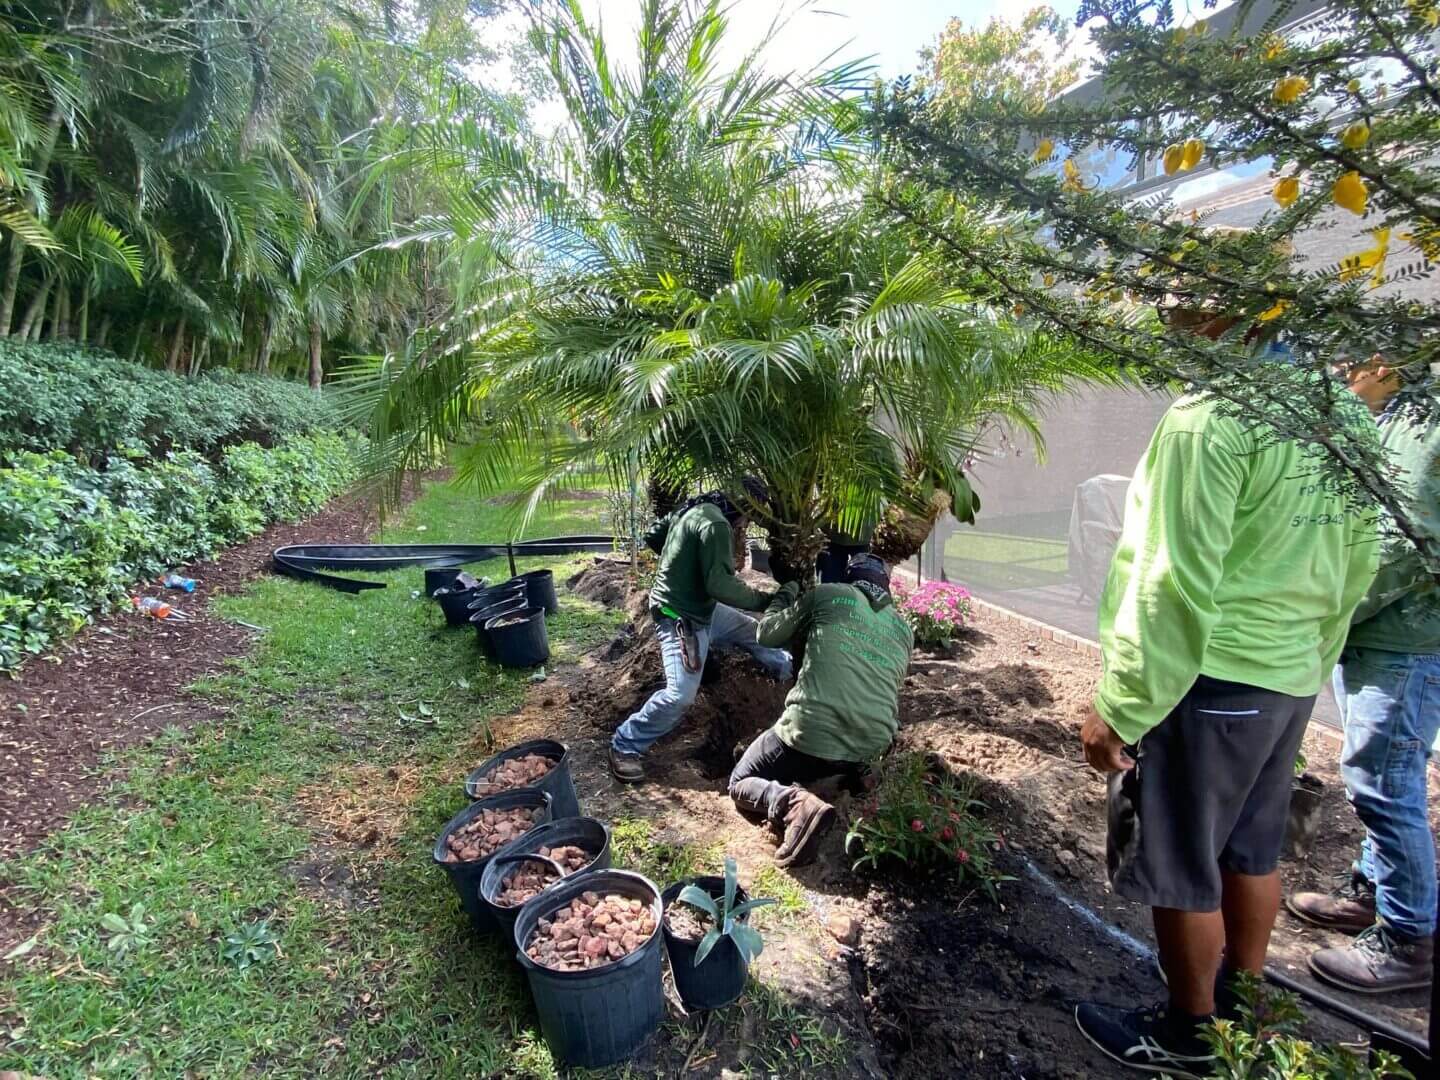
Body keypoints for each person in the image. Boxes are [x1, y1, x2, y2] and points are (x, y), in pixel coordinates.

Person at [1073, 377, 1380, 1077]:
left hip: (1208, 680)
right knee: (1251, 851)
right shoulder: (1339, 414)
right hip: (1287, 677)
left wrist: (1121, 706)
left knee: (1180, 863)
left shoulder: (1206, 419)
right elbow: (1361, 562)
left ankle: (1190, 1035)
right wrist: (1313, 656)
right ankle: (1243, 1010)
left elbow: (1172, 580)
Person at [1287, 353, 1439, 994]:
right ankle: (1372, 893)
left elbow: (1411, 541)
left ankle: (1409, 941)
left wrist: (1332, 608)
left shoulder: (1427, 425)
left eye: (1351, 355)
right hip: (1378, 631)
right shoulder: (1392, 413)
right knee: (1375, 772)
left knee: (1384, 783)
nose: (1339, 365)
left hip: (1404, 638)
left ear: (1387, 357)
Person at [727, 554, 914, 867]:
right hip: (873, 743)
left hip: (809, 733)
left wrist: (784, 595)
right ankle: (856, 777)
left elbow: (767, 634)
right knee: (844, 745)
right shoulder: (904, 630)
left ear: (848, 578)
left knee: (741, 779)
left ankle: (794, 805)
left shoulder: (827, 595)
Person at [609, 483, 791, 783]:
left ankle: (783, 679)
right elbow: (720, 586)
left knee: (759, 634)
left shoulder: (694, 507)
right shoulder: (717, 524)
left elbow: (654, 536)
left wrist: (684, 562)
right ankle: (625, 744)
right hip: (681, 616)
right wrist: (766, 600)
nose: (746, 525)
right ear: (743, 509)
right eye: (749, 517)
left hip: (704, 609)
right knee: (680, 695)